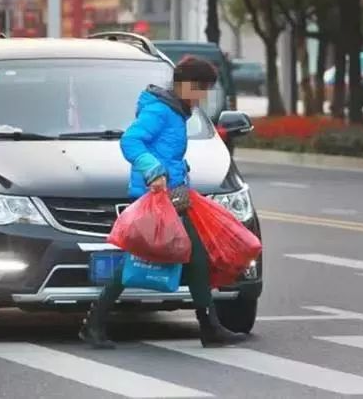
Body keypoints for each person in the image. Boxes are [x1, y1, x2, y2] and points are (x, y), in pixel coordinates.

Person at [79, 56, 246, 349]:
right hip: (156, 196)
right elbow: (130, 141)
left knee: (193, 259)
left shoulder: (177, 112)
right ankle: (94, 324)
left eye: (206, 90)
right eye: (199, 89)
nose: (201, 97)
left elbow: (168, 153)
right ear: (182, 84)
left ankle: (209, 326)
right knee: (143, 259)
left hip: (175, 195)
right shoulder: (160, 110)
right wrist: (153, 170)